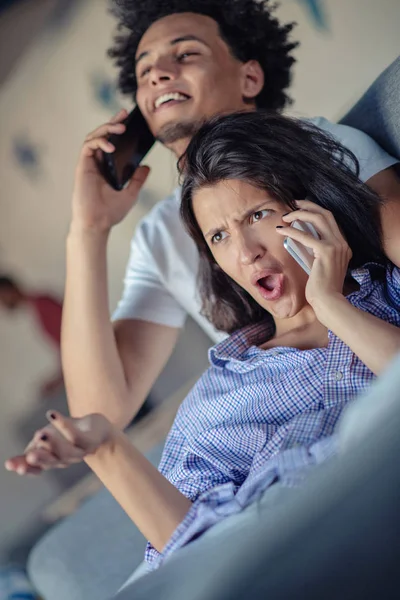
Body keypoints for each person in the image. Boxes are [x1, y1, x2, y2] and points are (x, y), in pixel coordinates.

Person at [7, 112, 400, 592]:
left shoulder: (386, 294)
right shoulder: (222, 388)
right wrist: (108, 450)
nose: (246, 252)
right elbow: (188, 544)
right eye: (219, 237)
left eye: (258, 215)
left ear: (312, 208)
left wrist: (331, 305)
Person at [5, 0, 400, 478]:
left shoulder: (324, 150)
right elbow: (101, 414)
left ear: (249, 78)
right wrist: (87, 230)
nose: (157, 74)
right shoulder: (160, 236)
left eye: (185, 55)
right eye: (144, 69)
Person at [0, 275, 64, 397]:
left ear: (7, 291)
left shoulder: (42, 304)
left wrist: (61, 378)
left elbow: (73, 342)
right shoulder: (37, 306)